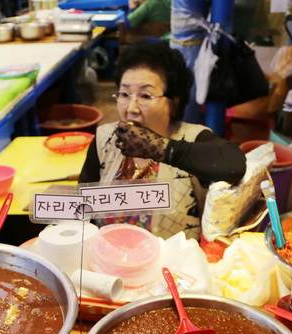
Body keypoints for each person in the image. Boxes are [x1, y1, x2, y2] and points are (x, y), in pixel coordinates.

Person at [79, 41, 245, 240]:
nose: (131, 108)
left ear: (173, 104)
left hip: (170, 268)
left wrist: (161, 148)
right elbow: (83, 207)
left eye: (145, 96)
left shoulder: (192, 138)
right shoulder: (105, 139)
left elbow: (235, 164)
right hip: (107, 262)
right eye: (124, 94)